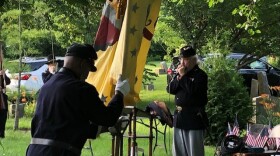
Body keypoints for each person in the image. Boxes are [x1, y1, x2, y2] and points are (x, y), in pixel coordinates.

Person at [26, 43, 130, 156]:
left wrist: (103, 129)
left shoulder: (47, 86)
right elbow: (108, 118)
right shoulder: (81, 89)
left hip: (34, 150)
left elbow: (67, 125)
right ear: (82, 64)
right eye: (88, 69)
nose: (87, 75)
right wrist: (119, 93)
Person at [167, 45, 209, 156]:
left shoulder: (200, 75)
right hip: (179, 118)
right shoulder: (181, 74)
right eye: (181, 59)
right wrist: (177, 77)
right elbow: (170, 89)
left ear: (193, 60)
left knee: (194, 152)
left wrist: (183, 76)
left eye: (185, 60)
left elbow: (193, 91)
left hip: (193, 119)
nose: (182, 62)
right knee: (178, 152)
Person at [0, 69, 11, 138]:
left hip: (2, 98)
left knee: (3, 115)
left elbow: (7, 82)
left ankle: (1, 133)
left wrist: (3, 75)